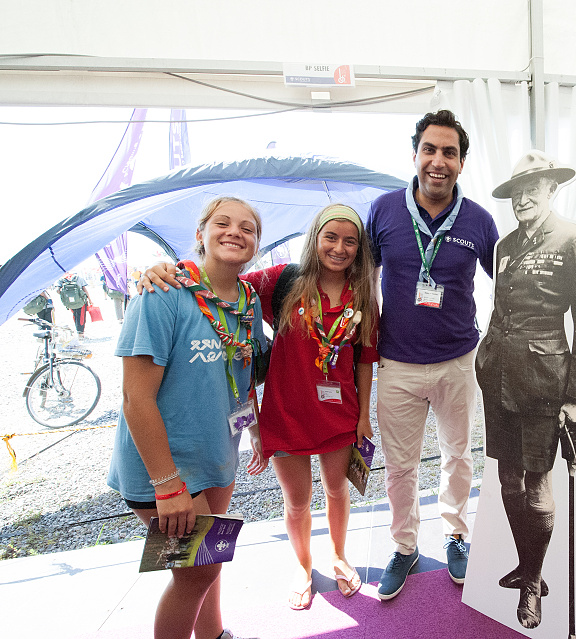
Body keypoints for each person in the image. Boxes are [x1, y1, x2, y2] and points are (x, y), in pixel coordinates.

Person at [140, 204, 379, 609]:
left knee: (338, 491)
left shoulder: (364, 297)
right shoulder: (282, 280)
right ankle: (303, 568)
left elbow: (365, 360)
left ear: (360, 248)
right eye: (330, 237)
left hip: (339, 415)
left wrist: (363, 417)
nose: (339, 248)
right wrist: (166, 269)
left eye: (350, 241)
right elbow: (216, 282)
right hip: (284, 415)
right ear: (314, 240)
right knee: (298, 502)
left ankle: (338, 556)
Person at [107, 196, 267, 639]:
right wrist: (167, 483)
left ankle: (213, 634)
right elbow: (135, 399)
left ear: (256, 244)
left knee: (209, 559)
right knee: (196, 572)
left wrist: (253, 430)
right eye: (223, 223)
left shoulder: (247, 302)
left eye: (247, 228)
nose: (236, 232)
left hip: (217, 455)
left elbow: (242, 373)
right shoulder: (162, 293)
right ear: (200, 234)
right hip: (164, 467)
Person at [367, 110, 499, 600]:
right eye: (430, 150)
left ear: (461, 163)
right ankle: (404, 546)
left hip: (457, 361)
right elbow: (352, 276)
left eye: (449, 153)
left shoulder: (480, 221)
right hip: (396, 363)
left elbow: (508, 284)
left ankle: (457, 535)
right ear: (416, 154)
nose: (438, 161)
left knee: (457, 456)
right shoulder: (382, 210)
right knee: (400, 465)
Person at [475, 151, 576, 629]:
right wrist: (484, 359)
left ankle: (534, 583)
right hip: (499, 377)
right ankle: (525, 565)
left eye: (535, 188)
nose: (523, 198)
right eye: (516, 191)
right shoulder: (505, 243)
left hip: (544, 382)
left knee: (536, 482)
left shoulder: (573, 240)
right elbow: (498, 310)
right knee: (508, 478)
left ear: (553, 190)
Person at [56, 271, 91, 338]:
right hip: (81, 301)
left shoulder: (61, 279)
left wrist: (67, 295)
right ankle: (80, 334)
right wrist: (89, 299)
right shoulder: (79, 278)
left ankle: (78, 331)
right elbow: (84, 290)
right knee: (81, 317)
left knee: (75, 315)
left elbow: (57, 291)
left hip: (69, 302)